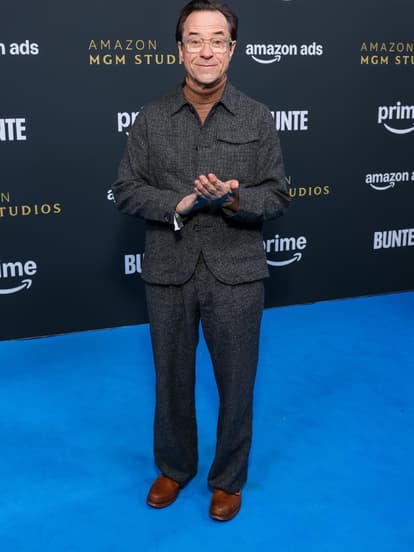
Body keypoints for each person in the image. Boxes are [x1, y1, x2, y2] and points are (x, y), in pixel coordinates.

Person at [112, 0, 290, 521]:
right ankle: (174, 466)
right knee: (170, 376)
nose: (206, 50)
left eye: (217, 40)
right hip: (168, 268)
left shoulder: (257, 116)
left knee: (237, 381)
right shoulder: (150, 118)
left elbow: (277, 196)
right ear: (180, 49)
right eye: (195, 40)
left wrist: (234, 199)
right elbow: (126, 190)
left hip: (237, 271)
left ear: (232, 50)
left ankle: (228, 478)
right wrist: (180, 203)